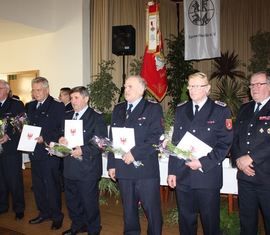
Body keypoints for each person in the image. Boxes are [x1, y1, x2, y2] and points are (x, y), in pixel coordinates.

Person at [167, 72, 233, 235]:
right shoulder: (182, 109)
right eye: (191, 86)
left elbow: (224, 143)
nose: (193, 89)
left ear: (208, 88)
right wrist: (172, 171)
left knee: (210, 222)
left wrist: (203, 162)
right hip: (183, 174)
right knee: (186, 221)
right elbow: (175, 143)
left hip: (207, 175)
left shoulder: (220, 110)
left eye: (198, 86)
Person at [107, 75, 164, 235]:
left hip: (145, 170)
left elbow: (156, 138)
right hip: (123, 168)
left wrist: (135, 153)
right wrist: (111, 164)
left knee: (151, 210)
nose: (126, 89)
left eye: (130, 86)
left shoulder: (153, 108)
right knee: (129, 209)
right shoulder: (118, 109)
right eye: (125, 86)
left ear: (142, 90)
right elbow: (113, 139)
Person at [59, 86, 107, 235]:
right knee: (72, 202)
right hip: (69, 167)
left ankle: (93, 229)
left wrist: (83, 150)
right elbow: (63, 135)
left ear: (86, 99)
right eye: (71, 98)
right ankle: (78, 225)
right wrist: (61, 140)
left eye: (76, 98)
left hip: (88, 168)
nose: (72, 101)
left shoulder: (96, 117)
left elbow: (101, 143)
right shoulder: (68, 116)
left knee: (89, 203)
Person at [231, 71, 270, 235]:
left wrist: (251, 158)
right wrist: (239, 161)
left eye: (259, 84)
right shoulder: (245, 108)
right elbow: (236, 137)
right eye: (252, 84)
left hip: (267, 176)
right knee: (246, 221)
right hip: (245, 177)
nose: (254, 88)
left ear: (269, 86)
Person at [27, 77, 65, 230]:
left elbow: (61, 130)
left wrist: (46, 139)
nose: (36, 93)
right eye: (34, 90)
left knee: (52, 186)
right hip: (34, 153)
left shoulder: (57, 106)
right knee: (38, 186)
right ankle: (43, 212)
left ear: (47, 90)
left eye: (39, 90)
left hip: (49, 153)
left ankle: (57, 216)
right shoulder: (29, 106)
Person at [0, 80, 25, 220]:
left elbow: (22, 125)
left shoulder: (16, 104)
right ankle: (2, 206)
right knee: (1, 180)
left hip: (11, 149)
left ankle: (19, 208)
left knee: (14, 180)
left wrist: (8, 135)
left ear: (6, 90)